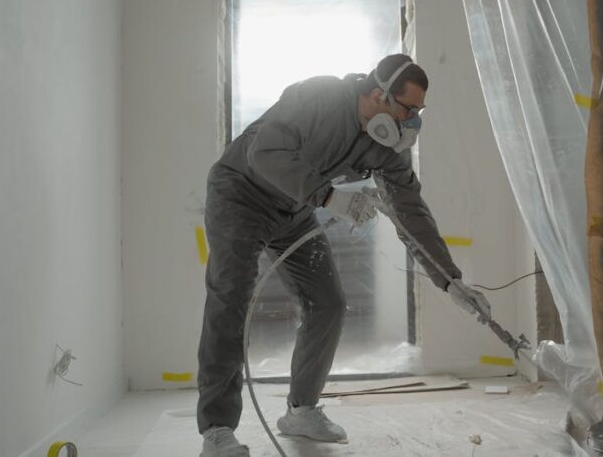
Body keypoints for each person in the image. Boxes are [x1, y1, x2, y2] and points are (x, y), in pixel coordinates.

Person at [197, 54, 492, 456]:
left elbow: (411, 211)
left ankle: (301, 410)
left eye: (418, 113)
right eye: (407, 110)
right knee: (230, 300)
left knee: (329, 303)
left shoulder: (385, 147)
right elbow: (264, 152)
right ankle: (217, 430)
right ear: (377, 94)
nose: (411, 122)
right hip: (241, 196)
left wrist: (449, 279)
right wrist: (329, 197)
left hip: (293, 210)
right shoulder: (318, 96)